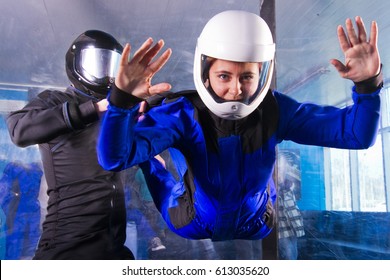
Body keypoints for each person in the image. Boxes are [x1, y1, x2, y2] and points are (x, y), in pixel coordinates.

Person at [97, 10, 383, 242]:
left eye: (247, 77)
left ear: (262, 75)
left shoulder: (275, 110)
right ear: (205, 75)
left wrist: (368, 85)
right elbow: (115, 158)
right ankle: (149, 152)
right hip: (190, 221)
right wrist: (121, 103)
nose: (235, 90)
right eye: (224, 76)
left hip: (259, 223)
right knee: (152, 165)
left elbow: (355, 135)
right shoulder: (183, 114)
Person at [6, 30, 134, 259]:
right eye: (99, 62)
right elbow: (18, 128)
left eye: (110, 65)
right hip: (67, 250)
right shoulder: (55, 101)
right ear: (77, 63)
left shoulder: (115, 112)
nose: (105, 72)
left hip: (114, 248)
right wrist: (89, 110)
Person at [276, 150, 305, 260]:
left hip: (292, 230)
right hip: (281, 232)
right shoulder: (272, 188)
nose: (281, 172)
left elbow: (293, 209)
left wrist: (298, 228)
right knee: (288, 257)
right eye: (279, 168)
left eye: (283, 168)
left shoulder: (288, 187)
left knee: (293, 256)